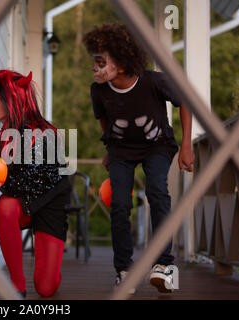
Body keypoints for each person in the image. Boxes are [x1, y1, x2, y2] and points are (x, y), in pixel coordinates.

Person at [83, 23, 195, 293]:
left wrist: (187, 145)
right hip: (121, 149)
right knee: (119, 204)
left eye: (101, 63)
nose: (94, 68)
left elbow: (186, 103)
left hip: (157, 146)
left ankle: (164, 266)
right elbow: (104, 119)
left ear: (121, 64)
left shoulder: (153, 81)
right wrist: (110, 147)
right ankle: (124, 269)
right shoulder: (98, 91)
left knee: (157, 192)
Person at [0, 59, 71, 298]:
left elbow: (29, 182)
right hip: (23, 204)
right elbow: (9, 180)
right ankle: (16, 282)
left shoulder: (45, 132)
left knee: (47, 288)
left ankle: (50, 260)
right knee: (5, 204)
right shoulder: (6, 131)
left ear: (15, 99)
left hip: (48, 205)